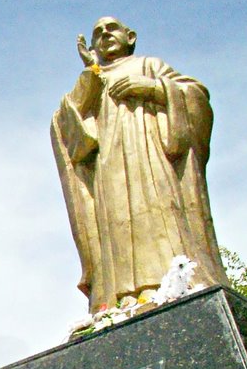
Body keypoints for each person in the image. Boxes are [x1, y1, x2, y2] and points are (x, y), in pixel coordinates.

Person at [51, 16, 229, 313]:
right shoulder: (94, 76)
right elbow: (66, 124)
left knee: (159, 209)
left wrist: (151, 88)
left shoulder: (149, 65)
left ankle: (170, 284)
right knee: (116, 221)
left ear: (130, 37)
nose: (105, 34)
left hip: (149, 152)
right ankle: (122, 296)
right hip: (109, 162)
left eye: (112, 29)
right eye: (98, 33)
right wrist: (91, 72)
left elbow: (195, 95)